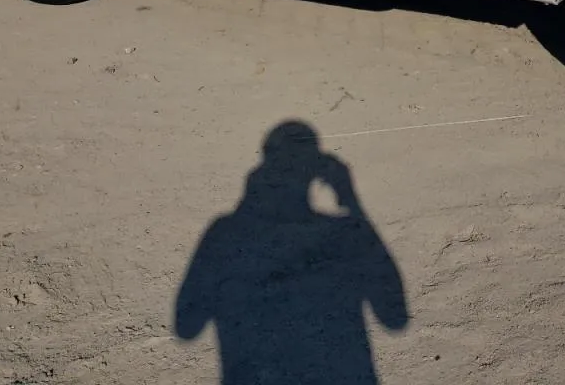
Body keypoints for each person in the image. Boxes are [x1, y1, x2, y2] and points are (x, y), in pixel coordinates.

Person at [175, 121, 409, 384]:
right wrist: (351, 201)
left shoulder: (223, 232)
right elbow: (394, 318)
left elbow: (186, 327)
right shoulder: (344, 234)